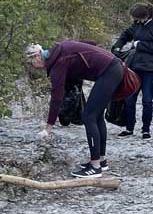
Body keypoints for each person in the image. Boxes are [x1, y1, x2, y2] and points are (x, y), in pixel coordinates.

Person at [26, 40, 124, 178]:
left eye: (31, 63)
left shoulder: (57, 63)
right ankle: (101, 161)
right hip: (114, 67)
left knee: (88, 116)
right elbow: (92, 42)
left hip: (109, 72)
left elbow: (57, 98)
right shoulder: (59, 49)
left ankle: (95, 167)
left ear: (37, 56)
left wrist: (48, 128)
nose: (33, 67)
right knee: (96, 115)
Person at [112, 3, 153, 140]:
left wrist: (138, 44)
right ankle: (129, 127)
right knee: (129, 98)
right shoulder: (138, 23)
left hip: (151, 68)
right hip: (134, 66)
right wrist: (117, 46)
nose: (137, 21)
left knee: (147, 100)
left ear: (146, 16)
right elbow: (126, 34)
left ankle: (146, 130)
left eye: (139, 19)